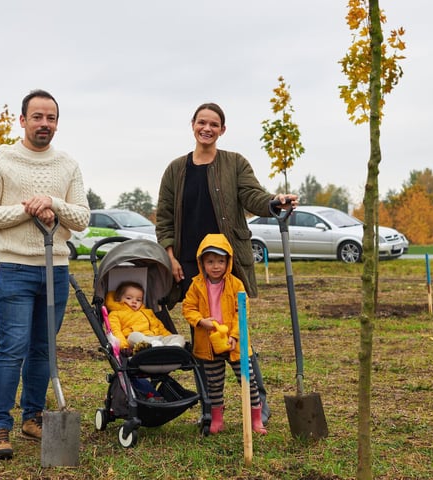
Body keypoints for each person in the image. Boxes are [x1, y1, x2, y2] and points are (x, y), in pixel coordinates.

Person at [155, 102, 297, 423]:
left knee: (238, 334)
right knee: (202, 340)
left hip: (227, 263)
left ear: (222, 129)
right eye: (201, 122)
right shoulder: (176, 169)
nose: (207, 128)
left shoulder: (234, 163)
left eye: (214, 124)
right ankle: (211, 408)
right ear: (192, 125)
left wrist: (274, 202)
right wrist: (171, 256)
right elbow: (164, 217)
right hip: (192, 265)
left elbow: (253, 196)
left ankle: (256, 401)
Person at [0, 89, 90, 459]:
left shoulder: (67, 165)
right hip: (15, 267)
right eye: (37, 117)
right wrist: (28, 210)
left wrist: (53, 203)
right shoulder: (0, 160)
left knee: (44, 350)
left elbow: (82, 219)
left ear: (57, 123)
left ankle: (33, 417)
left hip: (55, 269)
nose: (45, 124)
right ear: (22, 120)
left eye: (51, 118)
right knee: (13, 348)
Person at [182, 233, 266, 435]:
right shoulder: (196, 285)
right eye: (210, 261)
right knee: (214, 383)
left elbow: (242, 312)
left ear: (228, 261)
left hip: (235, 343)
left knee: (248, 381)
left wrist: (236, 336)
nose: (216, 266)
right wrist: (201, 321)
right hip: (210, 343)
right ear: (202, 262)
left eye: (220, 261)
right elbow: (188, 307)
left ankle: (255, 418)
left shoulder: (235, 284)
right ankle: (217, 419)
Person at [105, 281, 186, 351]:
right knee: (133, 336)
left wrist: (168, 337)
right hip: (138, 342)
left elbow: (160, 327)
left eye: (138, 300)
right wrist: (124, 347)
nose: (134, 302)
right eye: (129, 298)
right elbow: (116, 331)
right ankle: (152, 346)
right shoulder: (116, 314)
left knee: (179, 337)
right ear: (118, 299)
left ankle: (173, 347)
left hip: (157, 338)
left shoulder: (148, 312)